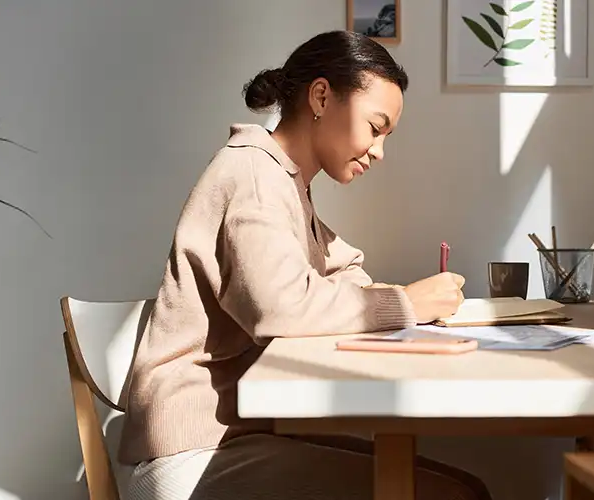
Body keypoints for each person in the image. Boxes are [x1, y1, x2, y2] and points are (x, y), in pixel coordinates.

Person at [119, 30, 489, 500]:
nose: (379, 151)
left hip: (234, 432)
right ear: (321, 97)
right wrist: (404, 303)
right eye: (375, 128)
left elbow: (343, 266)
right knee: (453, 496)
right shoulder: (254, 175)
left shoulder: (285, 181)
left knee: (464, 488)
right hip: (190, 451)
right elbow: (281, 308)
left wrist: (387, 298)